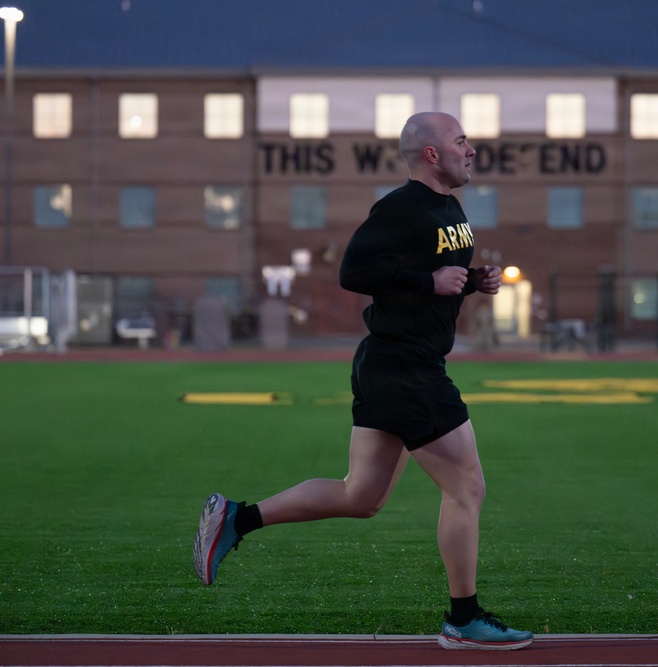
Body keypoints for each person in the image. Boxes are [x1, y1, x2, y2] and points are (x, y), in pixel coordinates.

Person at [193, 111, 533, 651]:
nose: (471, 149)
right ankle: (463, 620)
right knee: (466, 487)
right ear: (431, 154)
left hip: (394, 363)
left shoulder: (449, 207)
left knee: (362, 496)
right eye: (461, 140)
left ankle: (236, 517)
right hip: (405, 368)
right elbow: (354, 272)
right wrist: (429, 280)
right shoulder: (400, 206)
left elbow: (435, 280)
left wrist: (472, 283)